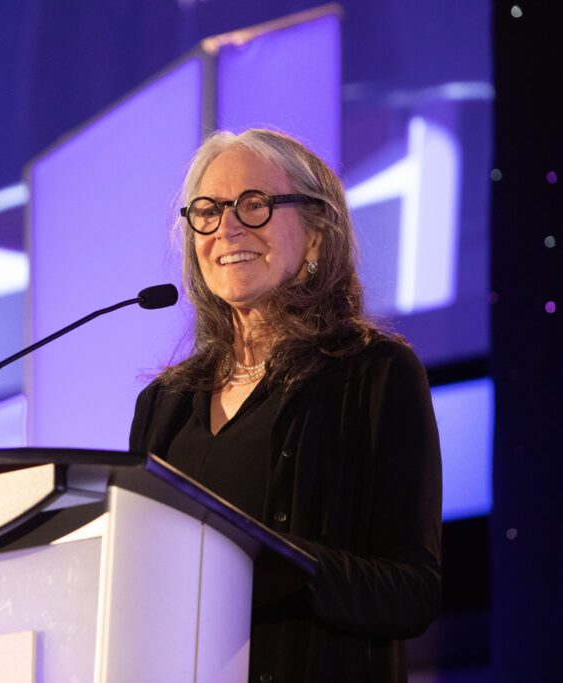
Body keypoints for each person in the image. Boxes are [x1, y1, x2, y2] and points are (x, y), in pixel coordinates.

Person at [129, 128, 442, 681]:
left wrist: (288, 567)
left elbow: (411, 592)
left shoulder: (374, 374)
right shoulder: (163, 404)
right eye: (207, 210)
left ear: (317, 235)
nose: (226, 227)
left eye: (254, 205)